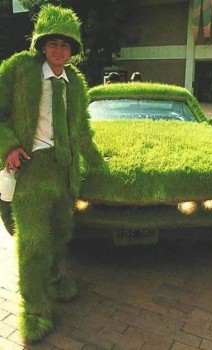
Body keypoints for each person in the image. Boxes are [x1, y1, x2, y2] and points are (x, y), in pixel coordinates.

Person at [0, 4, 101, 343]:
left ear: (73, 51)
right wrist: (9, 145)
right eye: (53, 43)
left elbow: (82, 128)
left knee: (60, 233)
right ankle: (35, 310)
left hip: (64, 171)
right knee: (33, 242)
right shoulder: (19, 71)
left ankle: (55, 280)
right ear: (42, 45)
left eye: (66, 45)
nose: (59, 51)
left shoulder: (75, 84)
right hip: (30, 169)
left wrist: (98, 161)